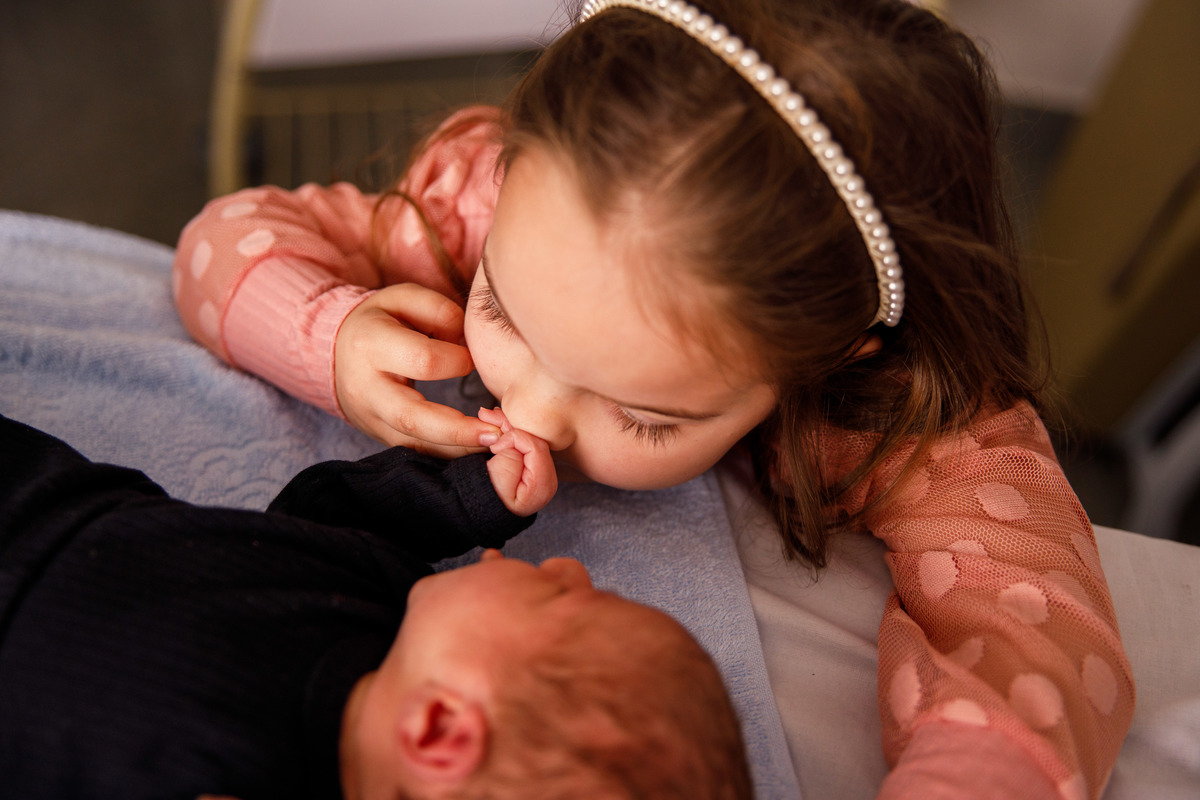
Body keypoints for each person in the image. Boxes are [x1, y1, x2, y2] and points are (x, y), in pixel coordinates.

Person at [172, 0, 1135, 796]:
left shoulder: (888, 408)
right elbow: (228, 239)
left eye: (643, 414)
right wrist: (327, 332)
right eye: (500, 307)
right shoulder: (486, 202)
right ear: (507, 181)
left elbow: (1034, 623)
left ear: (822, 356)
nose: (535, 417)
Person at [0, 412, 752, 800]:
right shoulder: (381, 601)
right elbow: (310, 516)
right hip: (40, 494)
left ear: (438, 727)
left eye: (563, 599)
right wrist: (469, 498)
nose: (564, 566)